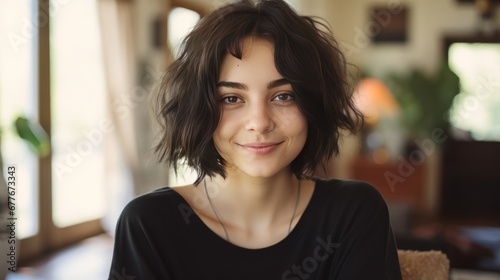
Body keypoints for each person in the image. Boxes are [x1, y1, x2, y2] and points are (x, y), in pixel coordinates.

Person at [109, 0, 402, 279]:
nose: (260, 122)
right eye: (232, 98)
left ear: (314, 105)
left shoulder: (355, 213)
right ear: (198, 109)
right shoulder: (148, 225)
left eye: (283, 96)